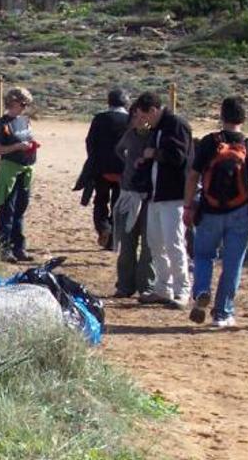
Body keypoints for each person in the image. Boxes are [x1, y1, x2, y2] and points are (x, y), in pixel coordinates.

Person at [183, 97, 248, 328]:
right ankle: (223, 313)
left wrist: (187, 206)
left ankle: (202, 290)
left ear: (222, 116)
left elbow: (193, 176)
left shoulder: (208, 143)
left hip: (210, 210)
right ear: (244, 118)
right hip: (240, 212)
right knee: (233, 263)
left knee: (203, 256)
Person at [132, 92, 194, 309]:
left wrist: (153, 154)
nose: (143, 120)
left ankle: (182, 290)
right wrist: (146, 160)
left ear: (153, 110)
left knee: (174, 243)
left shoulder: (176, 125)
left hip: (174, 195)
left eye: (143, 115)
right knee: (155, 243)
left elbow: (180, 156)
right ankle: (162, 287)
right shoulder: (157, 129)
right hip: (155, 195)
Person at [112, 102, 157, 300]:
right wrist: (129, 166)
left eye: (141, 117)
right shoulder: (129, 136)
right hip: (129, 194)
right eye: (135, 117)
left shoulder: (154, 137)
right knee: (127, 241)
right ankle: (124, 285)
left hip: (149, 196)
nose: (139, 121)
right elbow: (119, 150)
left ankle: (146, 285)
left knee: (149, 244)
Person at [76, 88, 130, 249]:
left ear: (109, 101)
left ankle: (103, 228)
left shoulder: (99, 119)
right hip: (123, 169)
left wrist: (94, 160)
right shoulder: (130, 120)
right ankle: (113, 239)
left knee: (100, 200)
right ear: (126, 102)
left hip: (101, 169)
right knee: (118, 203)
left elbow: (90, 142)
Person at [0, 87, 37, 263]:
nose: (25, 107)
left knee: (20, 209)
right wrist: (17, 147)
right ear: (13, 102)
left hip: (25, 169)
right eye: (23, 104)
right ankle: (4, 248)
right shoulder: (2, 124)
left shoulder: (25, 121)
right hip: (9, 170)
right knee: (7, 209)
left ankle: (19, 247)